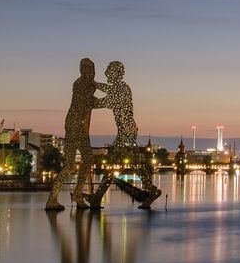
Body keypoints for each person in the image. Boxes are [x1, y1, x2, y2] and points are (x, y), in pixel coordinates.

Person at [97, 61, 161, 208]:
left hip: (127, 130)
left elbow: (108, 100)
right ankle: (151, 191)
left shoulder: (123, 88)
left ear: (116, 74)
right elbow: (108, 90)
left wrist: (89, 101)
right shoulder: (118, 88)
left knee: (114, 163)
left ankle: (152, 191)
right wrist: (94, 84)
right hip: (126, 130)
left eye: (109, 71)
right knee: (124, 164)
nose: (106, 73)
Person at [45, 58, 101, 210]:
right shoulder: (80, 84)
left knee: (88, 159)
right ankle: (52, 199)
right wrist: (110, 101)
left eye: (93, 71)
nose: (92, 74)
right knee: (69, 165)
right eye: (89, 70)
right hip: (74, 127)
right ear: (82, 71)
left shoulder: (88, 84)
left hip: (82, 129)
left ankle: (77, 193)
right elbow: (88, 102)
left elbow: (92, 101)